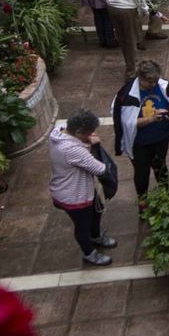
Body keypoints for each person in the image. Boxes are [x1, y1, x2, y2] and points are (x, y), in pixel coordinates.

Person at [48, 110, 118, 266]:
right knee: (82, 226)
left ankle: (96, 236)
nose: (90, 135)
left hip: (81, 189)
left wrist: (85, 142)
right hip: (74, 197)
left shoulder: (59, 130)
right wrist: (95, 146)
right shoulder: (72, 149)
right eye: (88, 133)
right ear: (78, 131)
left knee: (96, 212)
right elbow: (101, 169)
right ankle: (89, 253)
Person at [112, 59, 169, 201]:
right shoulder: (127, 95)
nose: (154, 84)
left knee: (161, 167)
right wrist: (151, 118)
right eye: (150, 82)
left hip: (161, 138)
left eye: (156, 80)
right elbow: (127, 123)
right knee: (141, 173)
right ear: (140, 78)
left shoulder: (166, 87)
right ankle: (143, 201)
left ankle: (166, 197)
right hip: (139, 142)